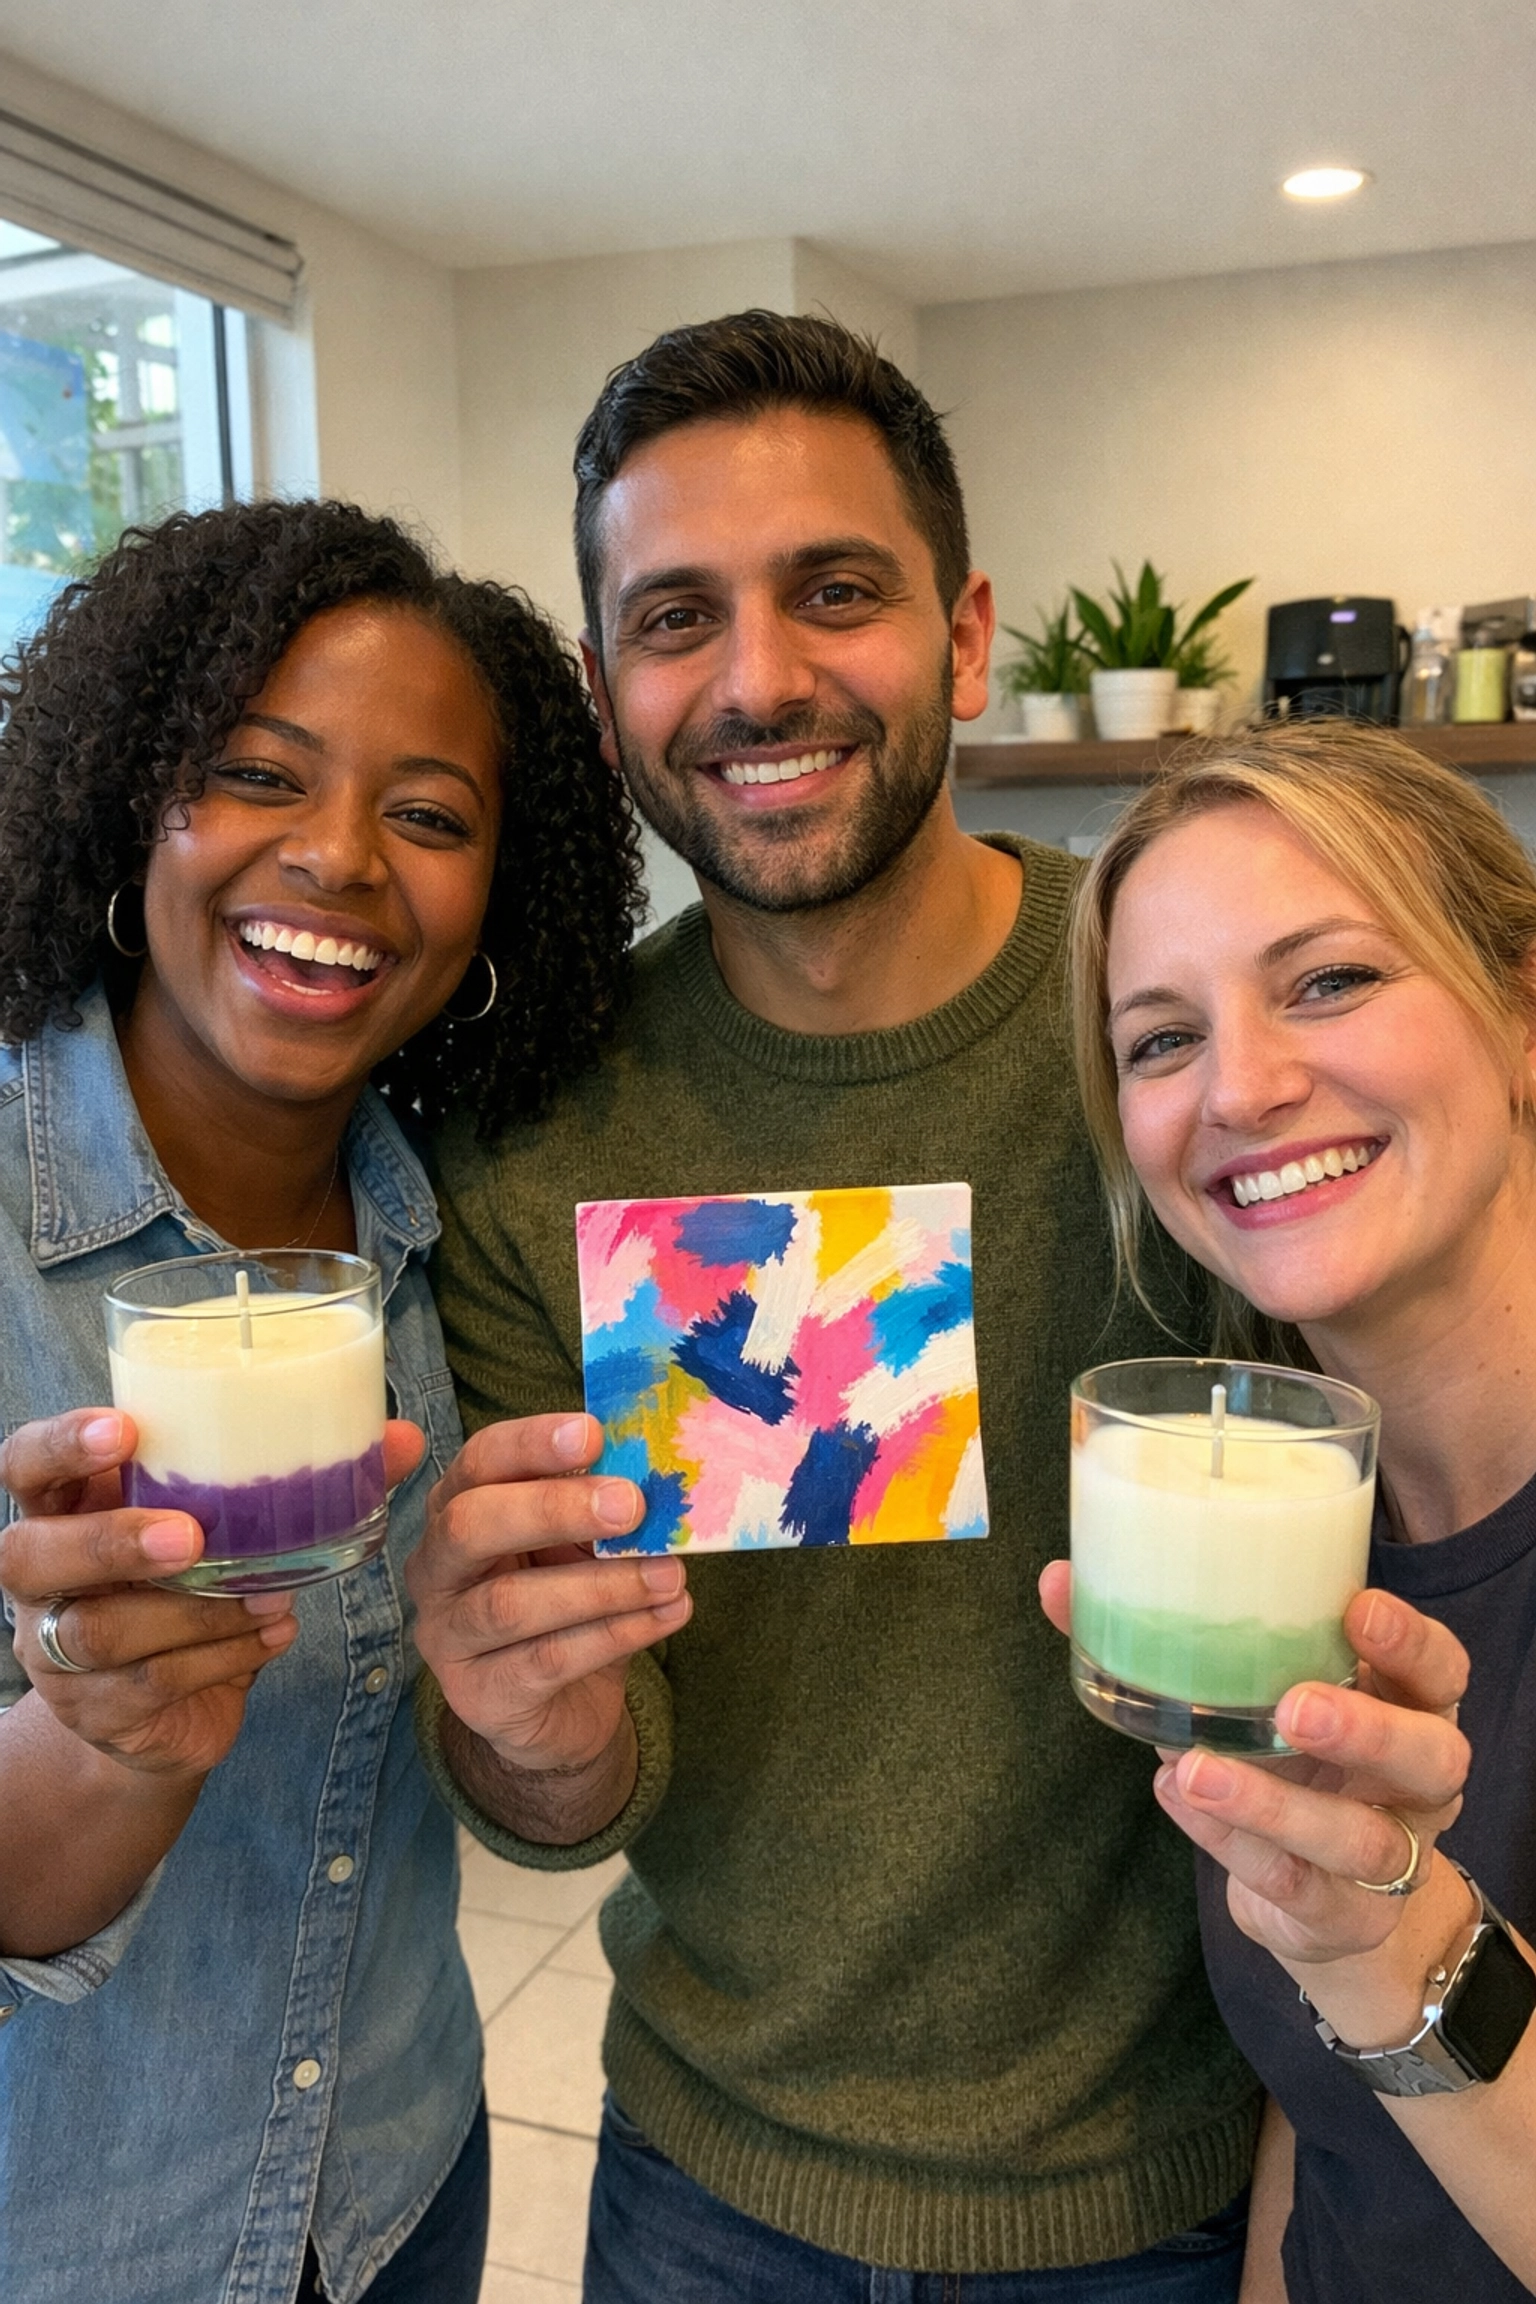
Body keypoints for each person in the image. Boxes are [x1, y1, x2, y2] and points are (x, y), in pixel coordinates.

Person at [406, 310, 1260, 2301]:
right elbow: (580, 1789)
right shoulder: (539, 1130)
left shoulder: (1176, 1033)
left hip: (1176, 2182)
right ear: (609, 690)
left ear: (963, 640)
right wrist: (524, 1718)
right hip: (711, 2185)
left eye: (836, 592)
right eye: (676, 616)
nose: (760, 677)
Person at [0, 498, 642, 2304]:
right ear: (135, 800)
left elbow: (532, 1795)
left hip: (391, 2204)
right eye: (259, 776)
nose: (344, 857)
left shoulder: (457, 1246)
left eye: (429, 816)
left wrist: (550, 1723)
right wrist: (95, 1735)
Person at [1052, 717, 1536, 2301]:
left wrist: (1390, 1942)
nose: (1244, 1088)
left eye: (1329, 979)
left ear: (1520, 1010)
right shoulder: (1282, 1541)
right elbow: (1321, 2115)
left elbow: (1364, 1982)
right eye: (1161, 1039)